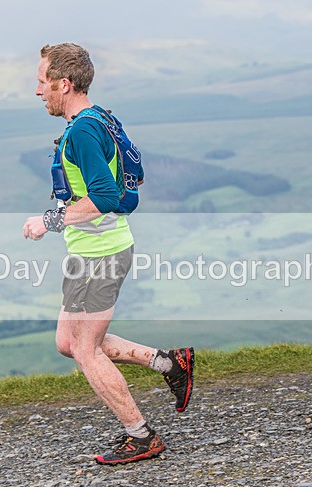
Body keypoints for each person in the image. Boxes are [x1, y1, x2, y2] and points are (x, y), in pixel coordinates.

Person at [23, 43, 195, 465]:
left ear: (64, 84)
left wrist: (51, 220)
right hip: (91, 252)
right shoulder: (100, 118)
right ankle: (169, 364)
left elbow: (101, 196)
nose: (37, 91)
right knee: (69, 342)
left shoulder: (82, 130)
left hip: (101, 254)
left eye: (42, 82)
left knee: (85, 349)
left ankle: (141, 435)